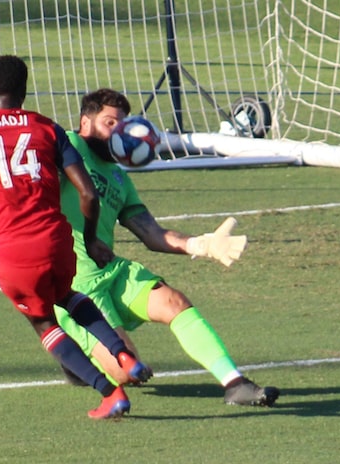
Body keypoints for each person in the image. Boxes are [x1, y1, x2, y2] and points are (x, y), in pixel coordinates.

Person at [0, 57, 152, 419]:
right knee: (67, 295)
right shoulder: (49, 129)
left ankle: (109, 393)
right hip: (58, 243)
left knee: (43, 322)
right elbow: (87, 193)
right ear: (25, 91)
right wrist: (90, 240)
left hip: (15, 253)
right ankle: (123, 354)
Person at [54, 88, 280, 407]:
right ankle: (73, 354)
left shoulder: (119, 178)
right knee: (127, 370)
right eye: (109, 123)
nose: (117, 132)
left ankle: (235, 384)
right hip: (74, 284)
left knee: (175, 302)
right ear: (85, 123)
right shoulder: (69, 146)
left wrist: (202, 245)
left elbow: (151, 233)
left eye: (122, 124)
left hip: (112, 270)